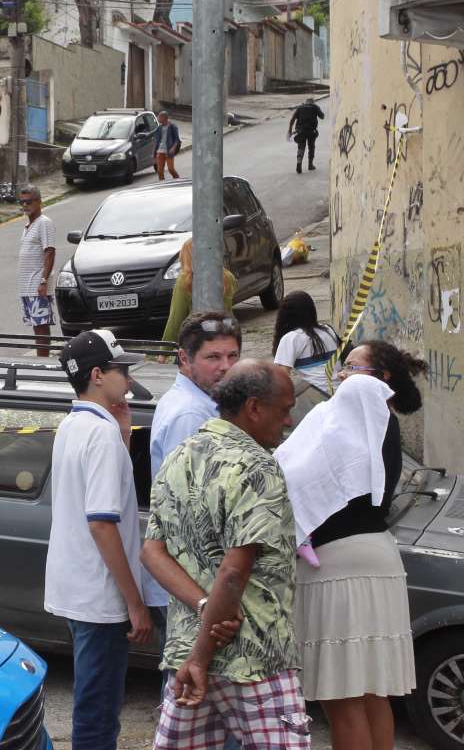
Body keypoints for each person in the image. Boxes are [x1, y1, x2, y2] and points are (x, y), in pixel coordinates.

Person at [143, 360, 309, 750]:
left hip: (187, 656)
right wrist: (202, 655)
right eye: (284, 409)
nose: (288, 422)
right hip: (253, 659)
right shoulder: (257, 467)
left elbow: (152, 552)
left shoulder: (179, 456)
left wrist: (202, 609)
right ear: (253, 407)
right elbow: (234, 573)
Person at [278, 340, 424, 750]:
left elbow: (299, 476)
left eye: (352, 367)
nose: (342, 375)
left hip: (337, 566)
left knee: (342, 701)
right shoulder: (382, 426)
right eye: (342, 366)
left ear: (381, 380)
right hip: (378, 556)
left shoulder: (354, 411)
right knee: (373, 693)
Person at [47, 329, 152, 750]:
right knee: (98, 709)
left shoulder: (75, 425)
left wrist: (124, 432)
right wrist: (134, 601)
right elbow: (102, 523)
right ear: (97, 374)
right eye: (120, 369)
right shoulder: (100, 435)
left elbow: (105, 490)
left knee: (96, 699)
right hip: (100, 597)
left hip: (76, 587)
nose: (127, 378)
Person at [147, 312, 242, 637]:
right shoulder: (190, 415)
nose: (226, 366)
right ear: (184, 359)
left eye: (232, 356)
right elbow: (190, 511)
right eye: (213, 357)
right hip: (190, 586)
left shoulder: (203, 404)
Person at [160, 239, 237, 345]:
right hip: (225, 334)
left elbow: (176, 318)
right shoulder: (227, 276)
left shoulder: (185, 280)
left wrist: (164, 349)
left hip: (197, 339)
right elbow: (228, 310)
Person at [272, 290, 343, 390]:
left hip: (316, 395)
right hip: (339, 390)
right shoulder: (328, 330)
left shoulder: (291, 338)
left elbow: (281, 378)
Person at [17, 185, 56, 357]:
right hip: (27, 286)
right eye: (22, 202)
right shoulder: (28, 225)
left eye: (29, 202)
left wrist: (43, 281)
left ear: (39, 202)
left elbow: (50, 251)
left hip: (37, 284)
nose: (25, 205)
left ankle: (43, 362)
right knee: (35, 324)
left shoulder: (44, 223)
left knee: (41, 325)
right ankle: (41, 359)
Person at [287, 97, 325, 174]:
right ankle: (310, 165)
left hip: (300, 131)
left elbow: (292, 119)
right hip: (311, 131)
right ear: (312, 102)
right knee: (311, 147)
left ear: (306, 102)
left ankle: (299, 162)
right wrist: (318, 110)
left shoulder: (300, 108)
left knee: (301, 147)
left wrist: (290, 130)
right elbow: (322, 117)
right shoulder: (315, 107)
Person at [155, 111, 182, 180]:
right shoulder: (159, 128)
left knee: (171, 169)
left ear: (164, 118)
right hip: (160, 151)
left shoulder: (173, 127)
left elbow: (177, 139)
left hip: (168, 150)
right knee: (159, 170)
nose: (158, 118)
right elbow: (157, 140)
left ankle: (177, 180)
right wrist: (155, 150)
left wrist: (173, 148)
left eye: (159, 117)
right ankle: (162, 184)